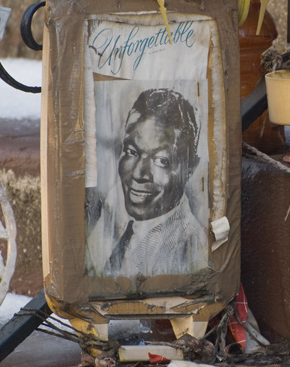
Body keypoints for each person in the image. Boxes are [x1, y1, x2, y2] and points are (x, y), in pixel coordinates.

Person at [87, 88, 208, 277]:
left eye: (161, 160)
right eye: (132, 152)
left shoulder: (191, 245)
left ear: (189, 168)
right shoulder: (112, 205)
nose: (138, 173)